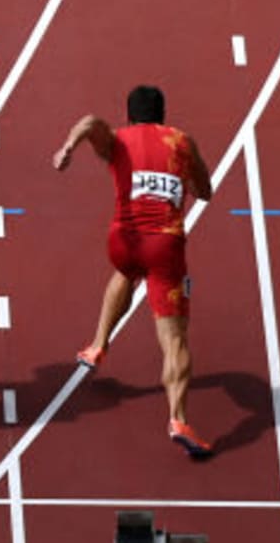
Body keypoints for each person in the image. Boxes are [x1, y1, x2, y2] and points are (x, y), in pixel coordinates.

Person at [53, 85, 216, 457]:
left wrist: (69, 147)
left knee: (125, 273)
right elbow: (205, 191)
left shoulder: (118, 140)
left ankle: (98, 345)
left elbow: (91, 122)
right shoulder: (181, 141)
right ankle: (178, 418)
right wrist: (182, 181)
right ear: (163, 114)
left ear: (128, 115)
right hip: (164, 249)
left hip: (123, 242)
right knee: (175, 341)